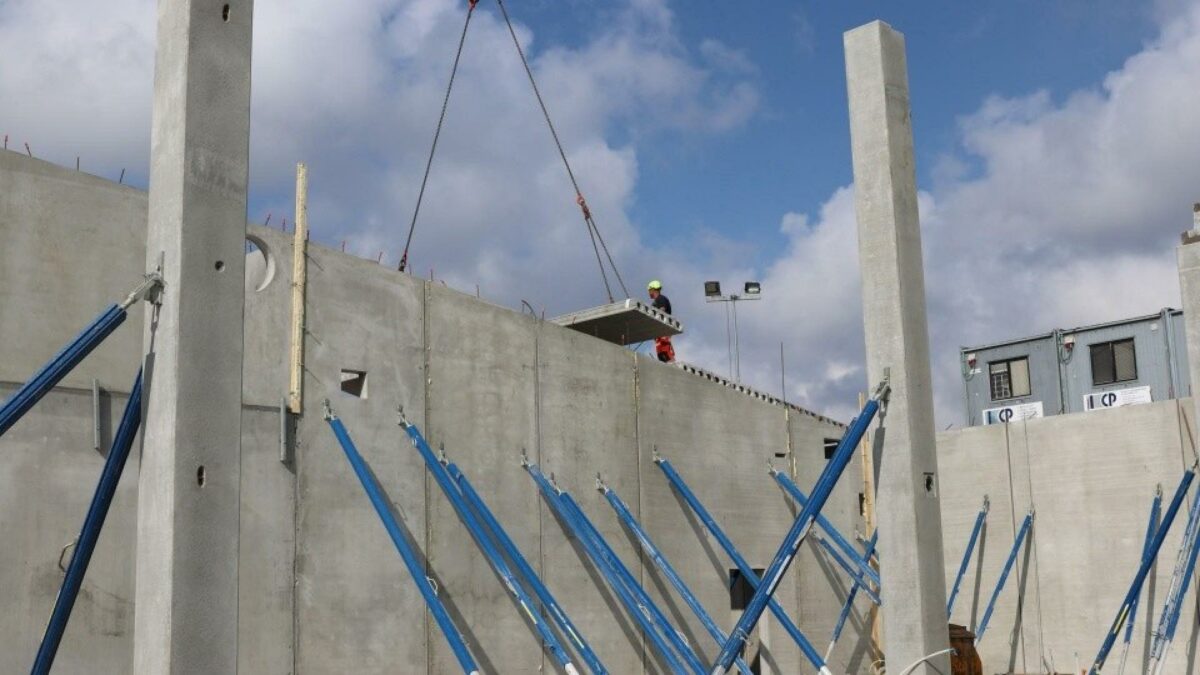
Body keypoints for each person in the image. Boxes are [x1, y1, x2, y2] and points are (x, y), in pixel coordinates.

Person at [647, 280, 675, 363]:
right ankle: (666, 365)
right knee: (660, 353)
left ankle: (672, 366)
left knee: (665, 351)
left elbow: (662, 311)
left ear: (653, 290)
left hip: (664, 329)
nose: (648, 292)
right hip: (659, 331)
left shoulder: (661, 299)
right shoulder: (655, 302)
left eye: (649, 290)